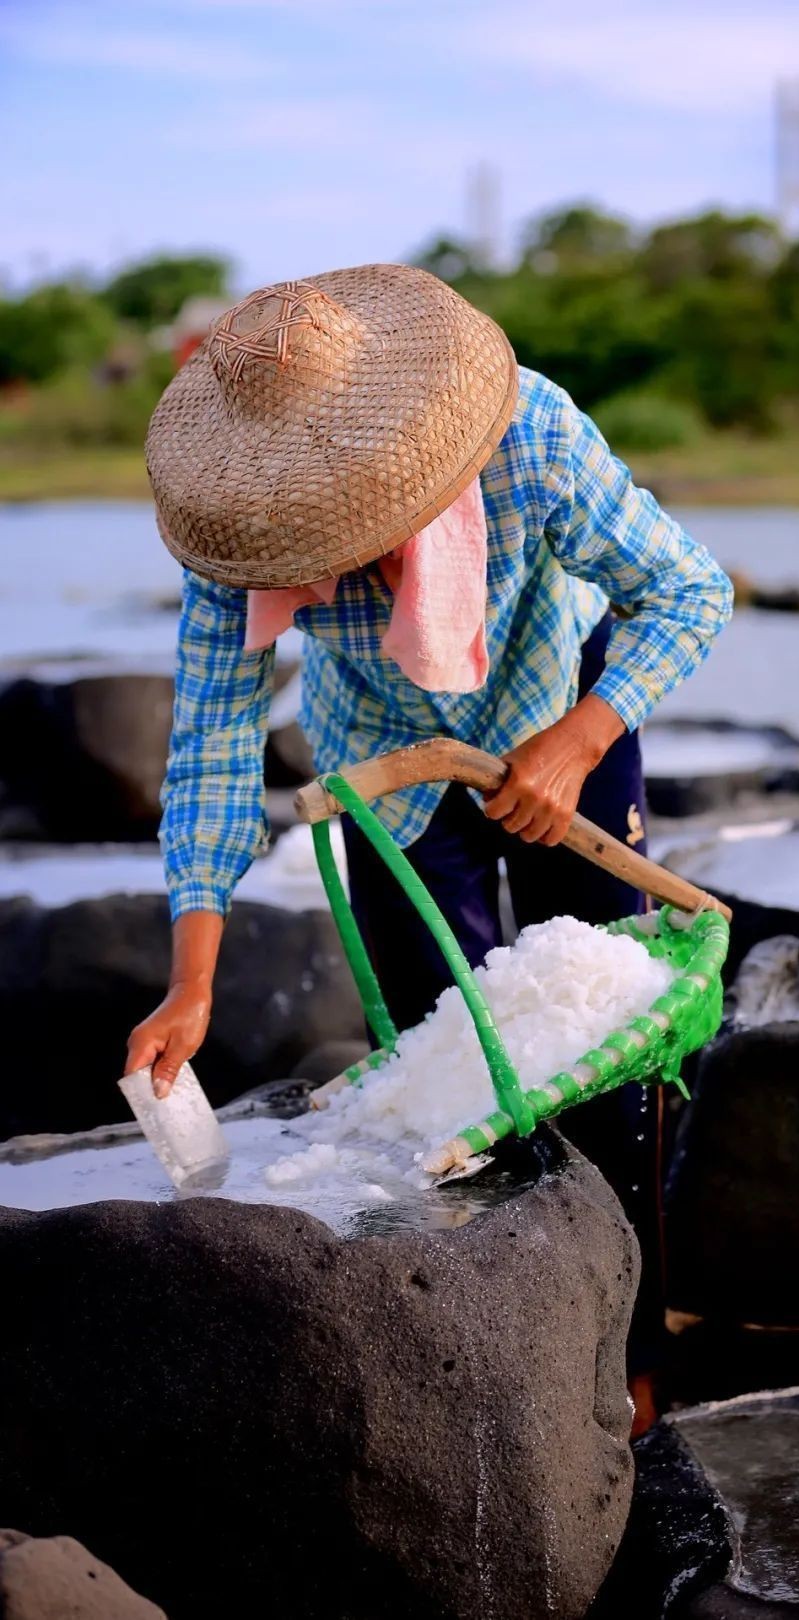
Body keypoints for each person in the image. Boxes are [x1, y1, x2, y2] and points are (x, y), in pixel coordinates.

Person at [128, 265, 732, 1423]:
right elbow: (210, 745)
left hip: (561, 711)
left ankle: (635, 1358)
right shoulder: (234, 532)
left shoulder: (530, 437)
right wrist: (191, 981)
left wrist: (578, 739)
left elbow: (689, 592)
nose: (342, 557)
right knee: (443, 1082)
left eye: (358, 529)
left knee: (614, 1059)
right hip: (386, 769)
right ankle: (496, 1364)